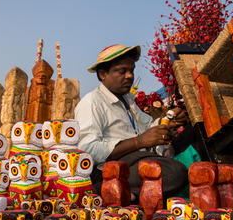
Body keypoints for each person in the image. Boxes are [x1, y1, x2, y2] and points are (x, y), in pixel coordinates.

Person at [74, 44, 189, 201]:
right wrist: (138, 142)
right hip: (113, 167)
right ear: (102, 74)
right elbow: (87, 150)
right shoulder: (92, 102)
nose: (129, 76)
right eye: (122, 71)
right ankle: (101, 189)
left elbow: (148, 128)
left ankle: (128, 195)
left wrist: (168, 121)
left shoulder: (128, 100)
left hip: (140, 159)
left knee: (192, 135)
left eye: (132, 70)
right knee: (177, 172)